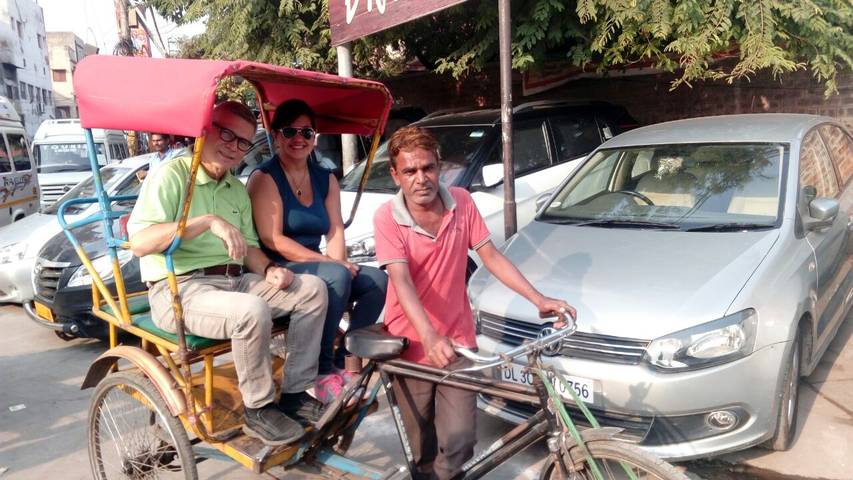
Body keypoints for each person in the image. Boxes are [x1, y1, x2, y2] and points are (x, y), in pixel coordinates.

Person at [373, 126, 577, 479]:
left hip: (458, 344)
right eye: (410, 171)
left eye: (428, 168)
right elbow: (400, 280)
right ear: (395, 175)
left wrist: (537, 299)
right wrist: (429, 335)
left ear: (440, 167)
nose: (421, 178)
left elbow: (491, 256)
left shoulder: (462, 202)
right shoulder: (386, 217)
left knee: (460, 441)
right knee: (420, 447)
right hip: (412, 344)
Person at [127, 101, 329, 446]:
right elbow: (140, 242)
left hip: (235, 280)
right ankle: (258, 409)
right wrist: (206, 222)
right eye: (226, 134)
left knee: (313, 289)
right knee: (251, 312)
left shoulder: (236, 187)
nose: (233, 147)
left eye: (242, 142)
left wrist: (270, 269)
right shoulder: (173, 175)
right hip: (179, 288)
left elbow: (249, 247)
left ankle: (295, 393)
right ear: (205, 129)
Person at [247, 99, 388, 403]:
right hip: (277, 268)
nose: (299, 139)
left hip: (316, 265)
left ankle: (347, 360)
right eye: (290, 131)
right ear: (276, 135)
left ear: (315, 137)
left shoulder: (326, 179)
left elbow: (335, 229)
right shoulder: (265, 177)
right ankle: (320, 372)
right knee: (336, 274)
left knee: (377, 281)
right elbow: (273, 240)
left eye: (306, 132)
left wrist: (342, 267)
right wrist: (331, 266)